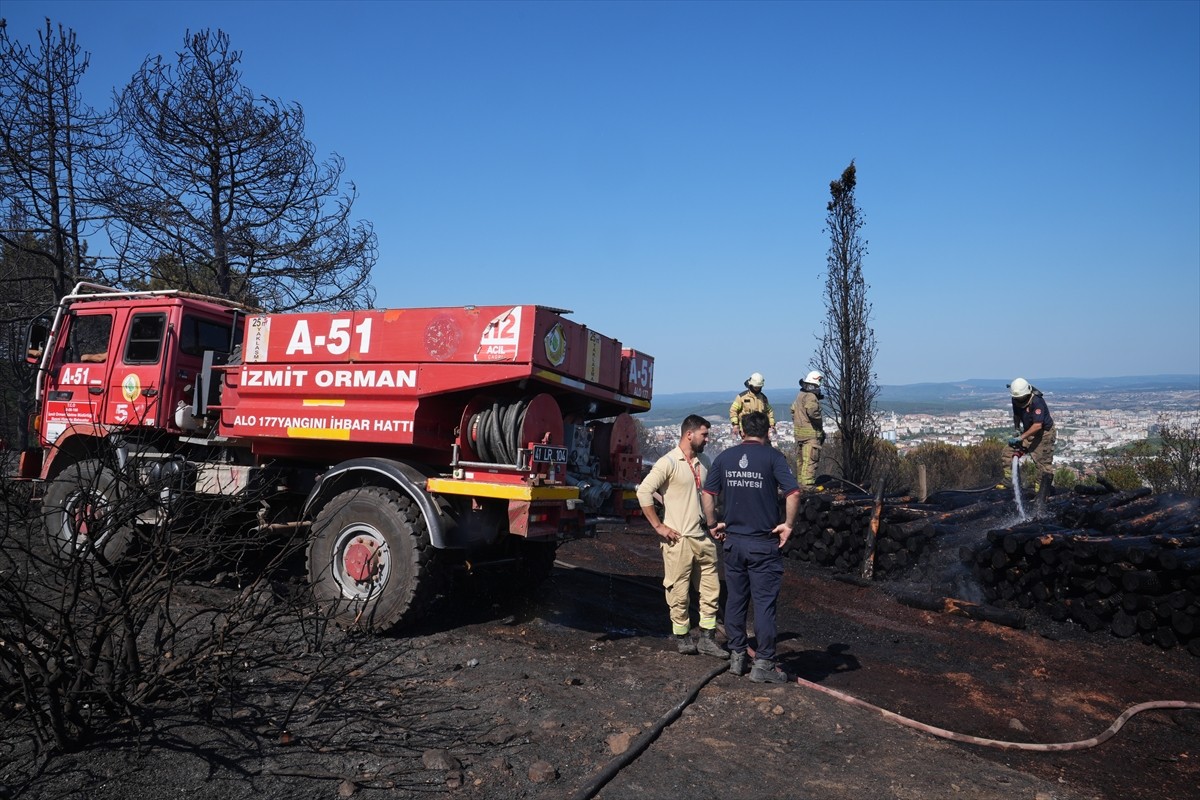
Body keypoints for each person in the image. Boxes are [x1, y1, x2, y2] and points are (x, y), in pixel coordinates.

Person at [701, 411, 801, 683]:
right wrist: (788, 524)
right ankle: (764, 664)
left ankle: (737, 656)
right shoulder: (773, 458)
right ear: (767, 431)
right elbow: (793, 492)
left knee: (735, 599)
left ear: (741, 431)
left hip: (734, 543)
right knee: (764, 604)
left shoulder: (724, 458)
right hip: (762, 544)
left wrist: (713, 523)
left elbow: (708, 493)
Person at [636, 414, 726, 658]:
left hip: (703, 537)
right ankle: (683, 636)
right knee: (679, 591)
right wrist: (658, 526)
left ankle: (707, 638)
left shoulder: (705, 461)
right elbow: (644, 492)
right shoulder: (668, 462)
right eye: (704, 434)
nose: (708, 439)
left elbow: (709, 497)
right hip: (679, 540)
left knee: (711, 590)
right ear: (690, 434)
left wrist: (714, 523)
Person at [1007, 377, 1057, 503]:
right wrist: (1017, 428)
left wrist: (1020, 437)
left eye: (1020, 398)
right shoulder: (1016, 399)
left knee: (1041, 462)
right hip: (1028, 432)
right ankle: (1010, 483)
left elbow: (1037, 425)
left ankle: (1042, 493)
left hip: (1043, 433)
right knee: (1007, 453)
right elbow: (1016, 414)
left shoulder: (1037, 401)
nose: (1018, 400)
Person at [791, 370, 825, 487]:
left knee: (801, 462)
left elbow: (792, 410)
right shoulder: (810, 396)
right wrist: (819, 424)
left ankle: (800, 485)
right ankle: (807, 486)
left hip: (799, 435)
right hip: (811, 435)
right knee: (810, 461)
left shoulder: (800, 395)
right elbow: (812, 411)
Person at [729, 372, 775, 437]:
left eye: (759, 387)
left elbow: (769, 411)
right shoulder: (741, 397)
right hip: (746, 430)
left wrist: (771, 424)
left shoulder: (763, 398)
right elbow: (733, 410)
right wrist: (735, 425)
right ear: (751, 385)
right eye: (756, 387)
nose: (757, 389)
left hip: (760, 430)